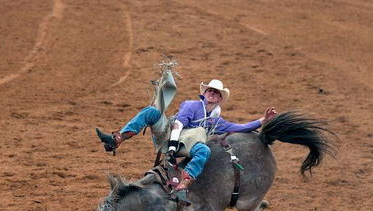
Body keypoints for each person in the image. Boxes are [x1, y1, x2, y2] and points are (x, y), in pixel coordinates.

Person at [97, 79, 277, 202]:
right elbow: (178, 123)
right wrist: (173, 147)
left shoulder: (214, 121)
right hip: (171, 134)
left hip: (188, 143)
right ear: (204, 94)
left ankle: (183, 185)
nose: (212, 93)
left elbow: (238, 128)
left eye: (216, 92)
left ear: (220, 99)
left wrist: (262, 121)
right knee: (151, 112)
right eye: (210, 90)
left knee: (204, 150)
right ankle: (117, 138)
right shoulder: (192, 105)